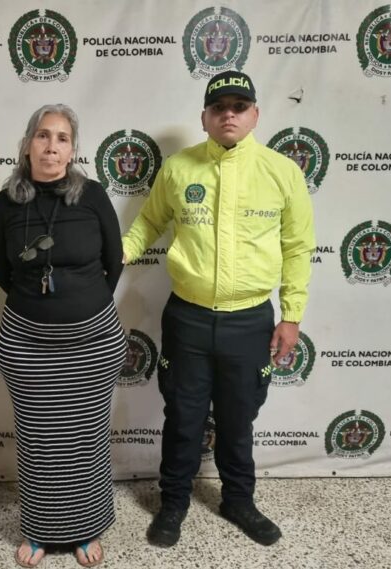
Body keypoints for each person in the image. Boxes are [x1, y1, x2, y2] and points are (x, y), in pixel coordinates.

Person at [122, 70, 315, 547]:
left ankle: (238, 500)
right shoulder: (180, 168)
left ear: (255, 115)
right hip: (187, 317)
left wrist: (291, 315)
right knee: (183, 416)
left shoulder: (281, 172)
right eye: (219, 107)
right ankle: (173, 503)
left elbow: (298, 247)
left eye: (239, 106)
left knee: (238, 416)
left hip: (250, 321)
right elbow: (147, 223)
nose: (228, 114)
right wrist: (114, 256)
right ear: (204, 117)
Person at [0, 104, 126, 568]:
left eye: (62, 138)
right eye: (43, 136)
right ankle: (40, 529)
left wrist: (82, 307)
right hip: (27, 342)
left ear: (72, 149)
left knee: (86, 435)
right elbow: (3, 271)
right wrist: (41, 307)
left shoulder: (92, 195)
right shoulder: (6, 202)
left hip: (93, 341)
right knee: (39, 437)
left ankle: (85, 529)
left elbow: (115, 261)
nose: (51, 146)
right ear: (28, 143)